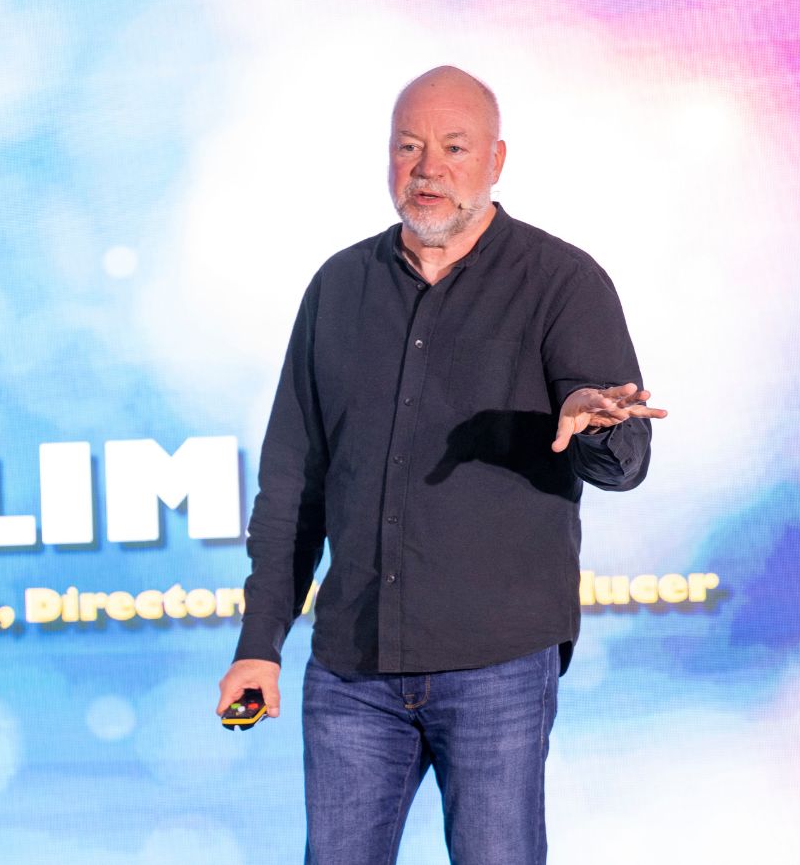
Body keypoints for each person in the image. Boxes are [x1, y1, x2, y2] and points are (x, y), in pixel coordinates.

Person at [216, 65, 666, 864]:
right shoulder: (338, 288)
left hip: (497, 668)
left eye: (454, 147)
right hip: (352, 673)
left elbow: (625, 462)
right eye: (408, 147)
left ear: (496, 159)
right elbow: (291, 485)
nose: (428, 169)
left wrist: (593, 426)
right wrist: (259, 643)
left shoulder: (561, 282)